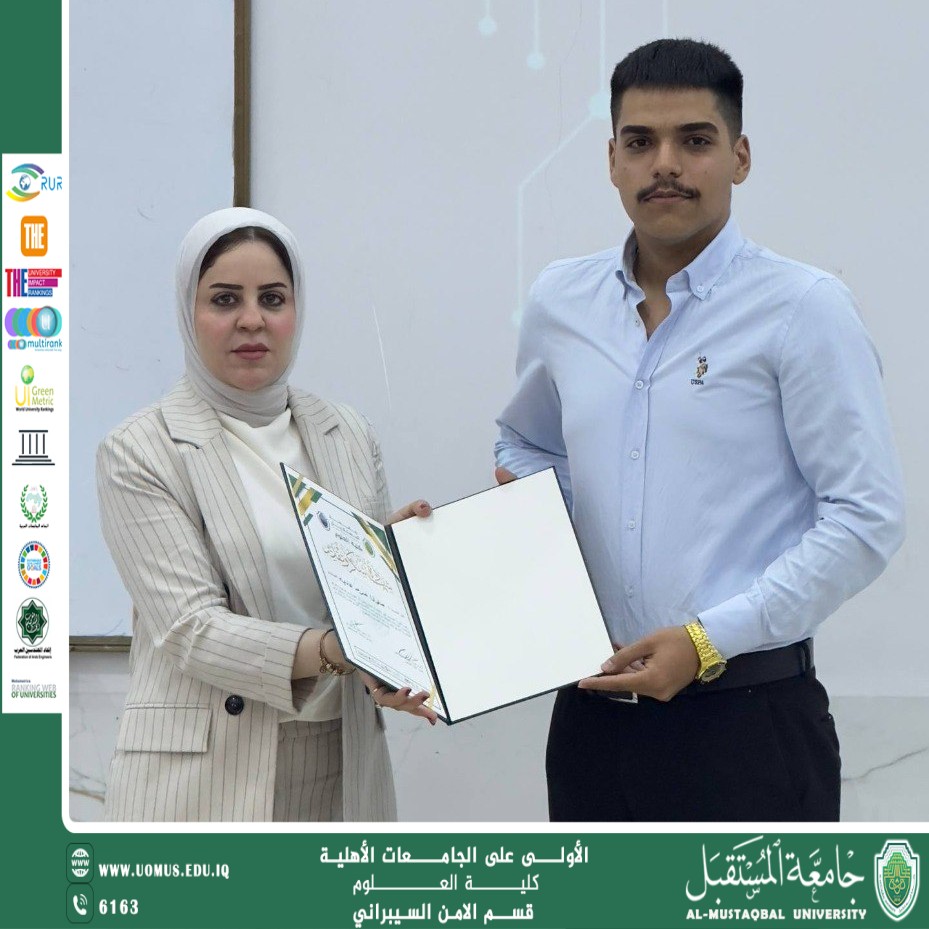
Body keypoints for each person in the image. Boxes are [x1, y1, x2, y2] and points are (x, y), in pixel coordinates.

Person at [494, 39, 905, 821]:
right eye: (639, 142)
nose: (664, 165)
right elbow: (526, 443)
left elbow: (865, 518)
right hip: (589, 717)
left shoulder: (802, 309)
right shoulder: (560, 301)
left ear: (739, 157)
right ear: (610, 160)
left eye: (694, 140)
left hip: (747, 722)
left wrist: (706, 639)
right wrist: (523, 521)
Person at [97, 207, 435, 822]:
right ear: (187, 311)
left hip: (341, 759)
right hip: (202, 778)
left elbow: (351, 598)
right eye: (224, 299)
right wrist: (337, 649)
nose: (251, 319)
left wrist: (399, 564)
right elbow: (191, 628)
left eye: (272, 298)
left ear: (295, 310)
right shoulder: (140, 449)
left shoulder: (347, 432)